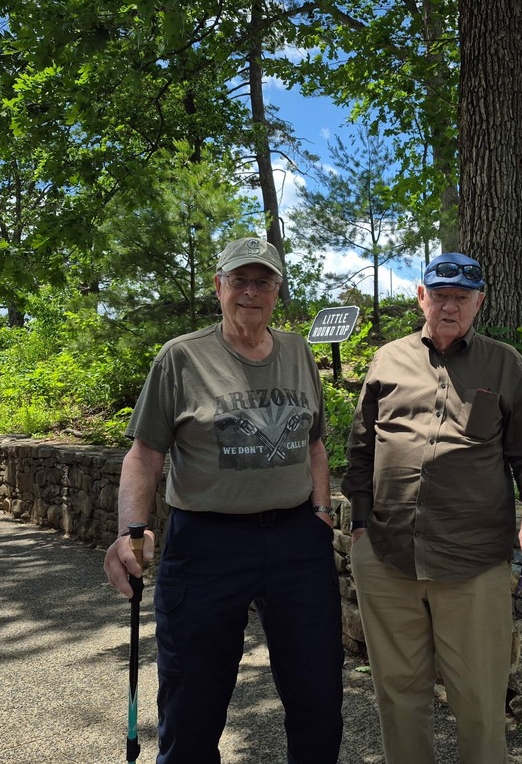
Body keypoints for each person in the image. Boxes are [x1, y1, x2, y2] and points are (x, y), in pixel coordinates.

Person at [103, 236, 343, 764]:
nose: (251, 292)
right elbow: (144, 454)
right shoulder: (182, 357)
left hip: (296, 542)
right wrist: (130, 531)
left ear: (278, 291)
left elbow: (315, 443)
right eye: (240, 280)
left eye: (264, 282)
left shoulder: (299, 351)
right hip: (207, 545)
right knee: (193, 702)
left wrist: (322, 514)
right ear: (219, 286)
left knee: (317, 695)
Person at [342, 251, 522, 764]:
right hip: (387, 553)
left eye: (462, 297)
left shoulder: (503, 362)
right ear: (422, 297)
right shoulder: (388, 358)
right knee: (397, 696)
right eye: (439, 294)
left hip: (473, 560)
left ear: (479, 302)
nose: (449, 306)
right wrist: (359, 523)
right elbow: (360, 447)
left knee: (480, 702)